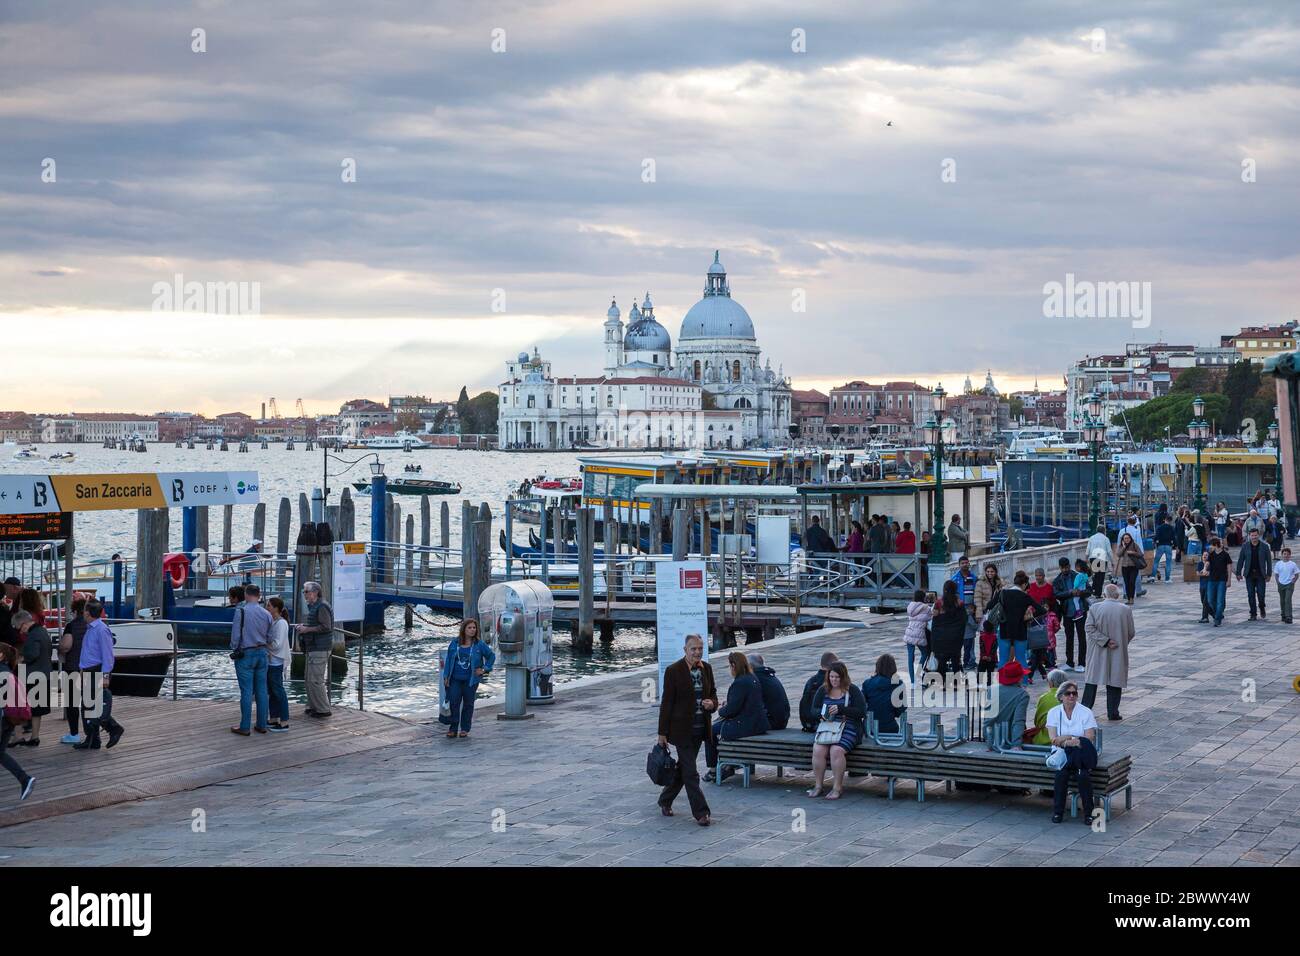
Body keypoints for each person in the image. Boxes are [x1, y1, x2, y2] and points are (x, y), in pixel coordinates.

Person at [656, 634, 716, 826]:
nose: (697, 652)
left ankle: (665, 800)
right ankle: (701, 813)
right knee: (691, 773)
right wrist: (662, 733)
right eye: (694, 649)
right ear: (685, 650)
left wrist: (712, 704)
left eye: (700, 648)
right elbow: (667, 703)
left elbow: (713, 693)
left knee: (683, 769)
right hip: (681, 731)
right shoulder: (674, 671)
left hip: (700, 729)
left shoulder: (707, 668)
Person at [808, 661, 866, 800]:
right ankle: (818, 785)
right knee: (818, 750)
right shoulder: (823, 690)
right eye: (832, 677)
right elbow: (813, 710)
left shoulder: (852, 690)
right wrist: (824, 713)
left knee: (836, 750)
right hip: (828, 725)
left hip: (848, 726)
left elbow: (861, 711)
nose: (834, 680)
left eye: (837, 677)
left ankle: (837, 787)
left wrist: (841, 709)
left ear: (843, 677)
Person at [708, 652, 769, 780]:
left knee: (710, 732)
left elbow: (731, 710)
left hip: (745, 725)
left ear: (734, 665)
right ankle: (727, 764)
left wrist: (720, 709)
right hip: (757, 723)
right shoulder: (753, 678)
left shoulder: (739, 682)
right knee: (717, 728)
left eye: (729, 666)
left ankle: (713, 769)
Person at [1046, 679, 1098, 824]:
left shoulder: (1085, 712)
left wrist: (1067, 738)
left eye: (1074, 693)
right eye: (1068, 693)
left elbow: (1089, 737)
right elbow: (1053, 739)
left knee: (1083, 776)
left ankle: (1089, 814)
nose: (1071, 696)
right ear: (1061, 696)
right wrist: (1070, 741)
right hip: (1061, 753)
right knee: (1061, 776)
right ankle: (1058, 813)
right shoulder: (1054, 712)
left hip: (1080, 753)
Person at [74, 600, 124, 750]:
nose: (82, 613)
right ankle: (93, 738)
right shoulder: (91, 628)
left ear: (88, 613)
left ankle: (113, 729)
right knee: (87, 706)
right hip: (89, 670)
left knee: (94, 706)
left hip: (96, 670)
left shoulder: (101, 629)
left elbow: (108, 655)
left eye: (84, 610)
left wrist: (106, 676)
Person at [1083, 583, 1134, 720]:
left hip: (1098, 649)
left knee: (1092, 680)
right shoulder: (1125, 609)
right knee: (1115, 681)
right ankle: (1113, 712)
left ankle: (1085, 709)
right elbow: (1131, 632)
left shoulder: (1095, 608)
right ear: (1117, 595)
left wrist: (1104, 640)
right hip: (1117, 649)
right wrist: (1120, 642)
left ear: (1105, 595)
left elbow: (1088, 628)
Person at [440, 617, 496, 739]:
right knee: (454, 702)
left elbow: (491, 656)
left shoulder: (479, 644)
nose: (472, 630)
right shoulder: (455, 643)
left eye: (474, 628)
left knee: (468, 704)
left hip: (471, 680)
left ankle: (465, 728)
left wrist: (485, 669)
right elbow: (449, 660)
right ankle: (453, 728)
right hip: (455, 678)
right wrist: (446, 676)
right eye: (469, 627)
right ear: (464, 629)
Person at [229, 583, 273, 736]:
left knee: (246, 691)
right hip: (262, 653)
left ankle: (245, 726)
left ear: (247, 595)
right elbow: (270, 636)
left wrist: (234, 648)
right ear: (259, 595)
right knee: (262, 690)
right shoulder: (267, 614)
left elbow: (235, 635)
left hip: (246, 653)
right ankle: (262, 724)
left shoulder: (241, 611)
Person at [987, 570, 1044, 676]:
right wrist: (1028, 616)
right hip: (1020, 631)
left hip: (1004, 630)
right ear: (1025, 584)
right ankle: (1024, 683)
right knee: (1021, 659)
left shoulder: (1003, 593)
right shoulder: (1025, 596)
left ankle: (1002, 682)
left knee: (1003, 659)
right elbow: (1042, 610)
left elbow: (989, 605)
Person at [293, 581, 334, 718]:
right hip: (313, 647)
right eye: (304, 591)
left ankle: (323, 709)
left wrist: (306, 629)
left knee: (316, 680)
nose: (304, 594)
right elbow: (318, 625)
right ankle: (313, 706)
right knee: (309, 679)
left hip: (320, 648)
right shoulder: (315, 606)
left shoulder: (322, 606)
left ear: (315, 592)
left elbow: (326, 626)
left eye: (306, 591)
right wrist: (304, 626)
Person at [0, 643, 35, 800]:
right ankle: (24, 779)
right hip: (9, 719)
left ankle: (25, 779)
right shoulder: (8, 672)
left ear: (1, 655)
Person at [12, 611, 51, 747]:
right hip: (43, 673)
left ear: (24, 623)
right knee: (37, 709)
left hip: (32, 675)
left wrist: (21, 658)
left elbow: (33, 654)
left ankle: (18, 737)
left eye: (20, 628)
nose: (20, 632)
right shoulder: (43, 631)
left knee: (18, 705)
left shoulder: (33, 635)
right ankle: (35, 737)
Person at [58, 597, 87, 744]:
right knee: (90, 702)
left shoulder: (72, 626)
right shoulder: (95, 625)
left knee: (72, 702)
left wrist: (60, 647)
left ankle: (74, 734)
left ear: (75, 611)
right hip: (91, 668)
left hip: (73, 668)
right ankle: (92, 734)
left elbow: (66, 646)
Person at [929, 580, 967, 678]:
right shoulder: (960, 603)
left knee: (941, 662)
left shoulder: (938, 603)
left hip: (941, 638)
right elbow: (963, 621)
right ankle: (955, 683)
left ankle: (942, 683)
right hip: (955, 638)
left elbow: (934, 621)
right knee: (956, 661)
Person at [265, 596, 292, 732]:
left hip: (276, 661)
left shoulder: (281, 623)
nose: (267, 608)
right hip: (272, 661)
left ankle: (284, 721)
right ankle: (274, 718)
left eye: (269, 606)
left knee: (278, 690)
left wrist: (264, 644)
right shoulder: (274, 622)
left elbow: (277, 644)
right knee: (272, 691)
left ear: (276, 608)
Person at [1236, 526, 1273, 621]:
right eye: (1252, 536)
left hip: (1261, 574)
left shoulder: (1265, 546)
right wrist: (1238, 572)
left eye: (1256, 535)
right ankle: (1253, 613)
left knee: (1261, 594)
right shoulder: (1245, 546)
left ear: (1259, 535)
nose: (1254, 537)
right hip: (1249, 574)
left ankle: (1262, 606)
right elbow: (1241, 560)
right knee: (1250, 595)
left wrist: (1269, 574)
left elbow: (1269, 561)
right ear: (1249, 536)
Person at [862, 653, 905, 734]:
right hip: (889, 727)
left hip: (869, 727)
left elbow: (862, 704)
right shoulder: (898, 684)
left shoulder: (867, 683)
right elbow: (900, 710)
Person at [990, 660, 1029, 746]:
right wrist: (1016, 745)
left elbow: (987, 720)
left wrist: (989, 740)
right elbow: (1018, 721)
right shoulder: (1022, 694)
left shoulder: (990, 690)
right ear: (1020, 678)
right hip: (1009, 738)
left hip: (992, 737)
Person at [747, 653, 790, 730]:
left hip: (772, 722)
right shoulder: (769, 675)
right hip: (782, 720)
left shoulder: (756, 679)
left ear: (750, 666)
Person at [950, 556, 979, 669]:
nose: (965, 565)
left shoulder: (974, 578)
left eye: (967, 563)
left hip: (971, 611)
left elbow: (977, 593)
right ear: (959, 564)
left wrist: (975, 608)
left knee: (970, 637)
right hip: (959, 612)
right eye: (963, 563)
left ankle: (971, 661)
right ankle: (958, 662)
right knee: (959, 638)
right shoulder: (955, 579)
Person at [799, 651, 838, 732]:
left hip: (807, 724)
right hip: (821, 724)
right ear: (834, 665)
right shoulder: (832, 682)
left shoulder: (811, 681)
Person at [1029, 669, 1068, 745]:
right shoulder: (1071, 697)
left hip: (1045, 740)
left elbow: (1037, 722)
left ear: (1051, 683)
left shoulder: (1044, 698)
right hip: (1065, 740)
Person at [1201, 537, 1232, 626]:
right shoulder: (1211, 554)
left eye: (1211, 545)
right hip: (1212, 579)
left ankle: (1217, 619)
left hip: (1222, 580)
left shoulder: (1225, 555)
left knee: (1220, 600)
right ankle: (1217, 614)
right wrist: (1204, 568)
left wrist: (1229, 580)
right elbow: (1207, 562)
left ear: (1215, 545)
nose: (1210, 547)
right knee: (1210, 600)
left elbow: (1229, 567)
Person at [902, 587, 931, 683]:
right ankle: (918, 673)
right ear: (923, 598)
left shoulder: (910, 607)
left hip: (909, 632)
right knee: (925, 653)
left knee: (910, 658)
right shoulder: (926, 608)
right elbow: (930, 618)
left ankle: (912, 682)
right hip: (919, 634)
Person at [1113, 531, 1144, 604]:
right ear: (1123, 540)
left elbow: (1141, 554)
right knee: (1126, 583)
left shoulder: (1134, 545)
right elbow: (1118, 554)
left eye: (1128, 538)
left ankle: (1132, 598)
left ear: (1130, 538)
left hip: (1133, 567)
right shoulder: (1121, 546)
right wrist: (1124, 548)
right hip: (1125, 567)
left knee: (1132, 582)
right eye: (1125, 538)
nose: (1127, 540)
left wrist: (1133, 553)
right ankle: (1128, 598)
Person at [1275, 547, 1298, 624]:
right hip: (1281, 584)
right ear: (1282, 555)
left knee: (1287, 600)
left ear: (1290, 555)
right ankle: (1283, 614)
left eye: (1288, 554)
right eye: (1284, 554)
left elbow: (1297, 574)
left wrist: (1293, 582)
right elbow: (1276, 574)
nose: (1286, 555)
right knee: (1282, 600)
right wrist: (1278, 582)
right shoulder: (1278, 564)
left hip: (1289, 584)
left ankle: (1289, 616)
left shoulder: (1293, 564)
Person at [1087, 526, 1112, 597]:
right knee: (1100, 576)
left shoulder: (1091, 538)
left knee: (1096, 575)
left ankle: (1094, 589)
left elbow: (1088, 549)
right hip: (1102, 559)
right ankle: (1098, 593)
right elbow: (1109, 551)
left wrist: (1086, 559)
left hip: (1093, 558)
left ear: (1096, 530)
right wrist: (1112, 561)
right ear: (1104, 531)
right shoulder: (1106, 539)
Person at [1152, 515, 1176, 582]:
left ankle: (1152, 577)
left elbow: (1156, 536)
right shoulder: (1172, 528)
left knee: (1156, 561)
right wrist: (1175, 545)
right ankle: (1167, 579)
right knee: (1168, 563)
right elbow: (1174, 537)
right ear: (1171, 521)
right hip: (1168, 545)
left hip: (1160, 545)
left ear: (1164, 519)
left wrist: (1155, 542)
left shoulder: (1160, 527)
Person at [0, 576, 20, 645]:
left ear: (14, 588)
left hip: (16, 640)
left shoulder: (22, 600)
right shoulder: (16, 600)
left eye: (6, 588)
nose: (5, 592)